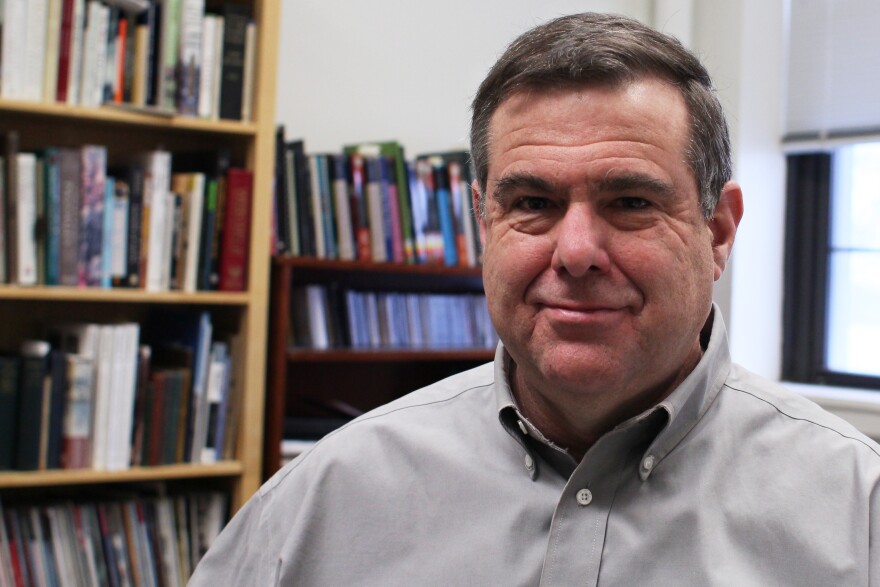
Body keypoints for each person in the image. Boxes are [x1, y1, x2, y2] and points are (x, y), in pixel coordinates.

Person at [191, 12, 880, 585]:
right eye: (533, 203)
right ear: (483, 225)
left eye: (631, 201)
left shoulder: (857, 510)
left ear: (718, 230)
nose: (575, 250)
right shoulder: (324, 500)